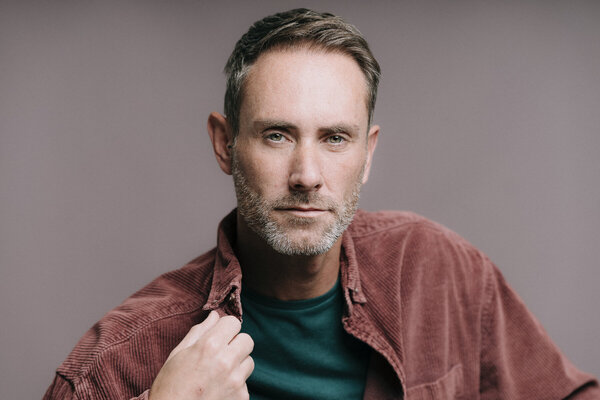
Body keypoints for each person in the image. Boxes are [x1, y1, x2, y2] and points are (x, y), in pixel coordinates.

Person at [44, 8, 598, 400]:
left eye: (335, 138)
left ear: (367, 153)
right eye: (277, 135)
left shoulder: (442, 274)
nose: (307, 176)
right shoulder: (115, 362)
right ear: (224, 144)